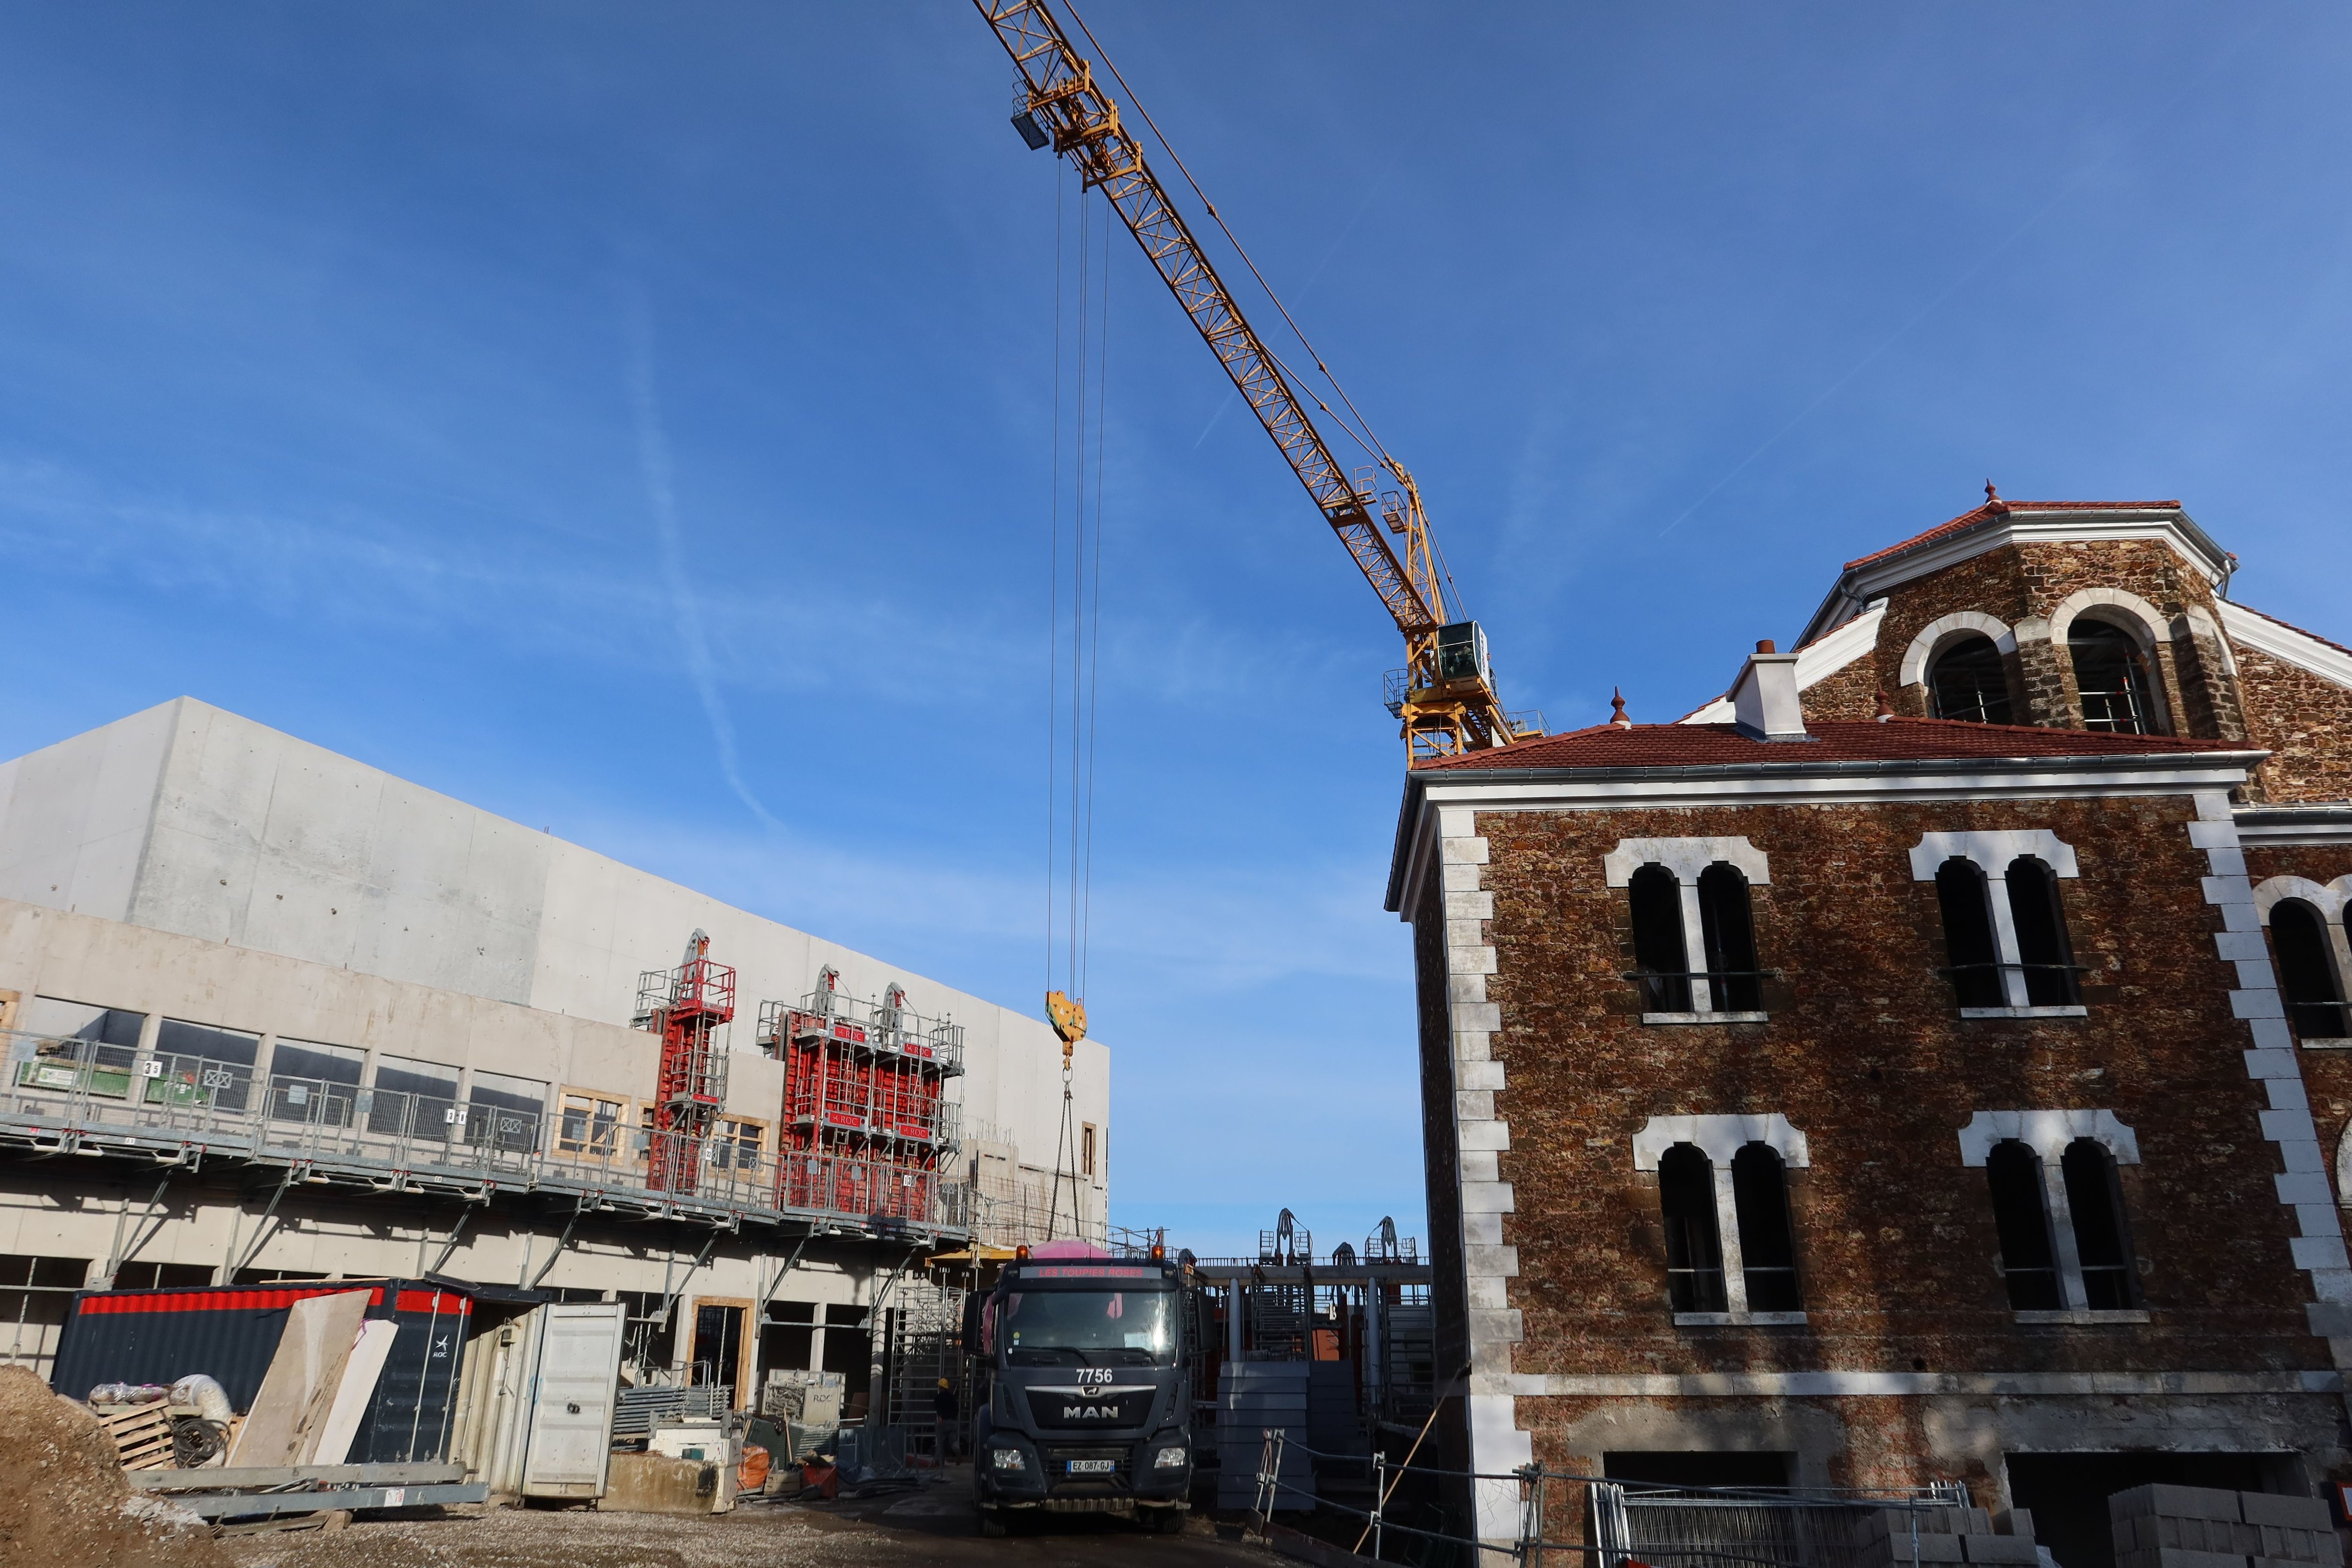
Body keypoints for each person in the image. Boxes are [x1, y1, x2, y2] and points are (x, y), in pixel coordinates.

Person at [933, 1377, 961, 1460]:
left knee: (941, 1442)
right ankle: (957, 1449)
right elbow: (957, 1409)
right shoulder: (953, 1397)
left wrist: (940, 1417)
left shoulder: (938, 1398)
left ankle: (939, 1461)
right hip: (953, 1422)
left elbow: (938, 1409)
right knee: (953, 1440)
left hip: (944, 1422)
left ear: (940, 1387)